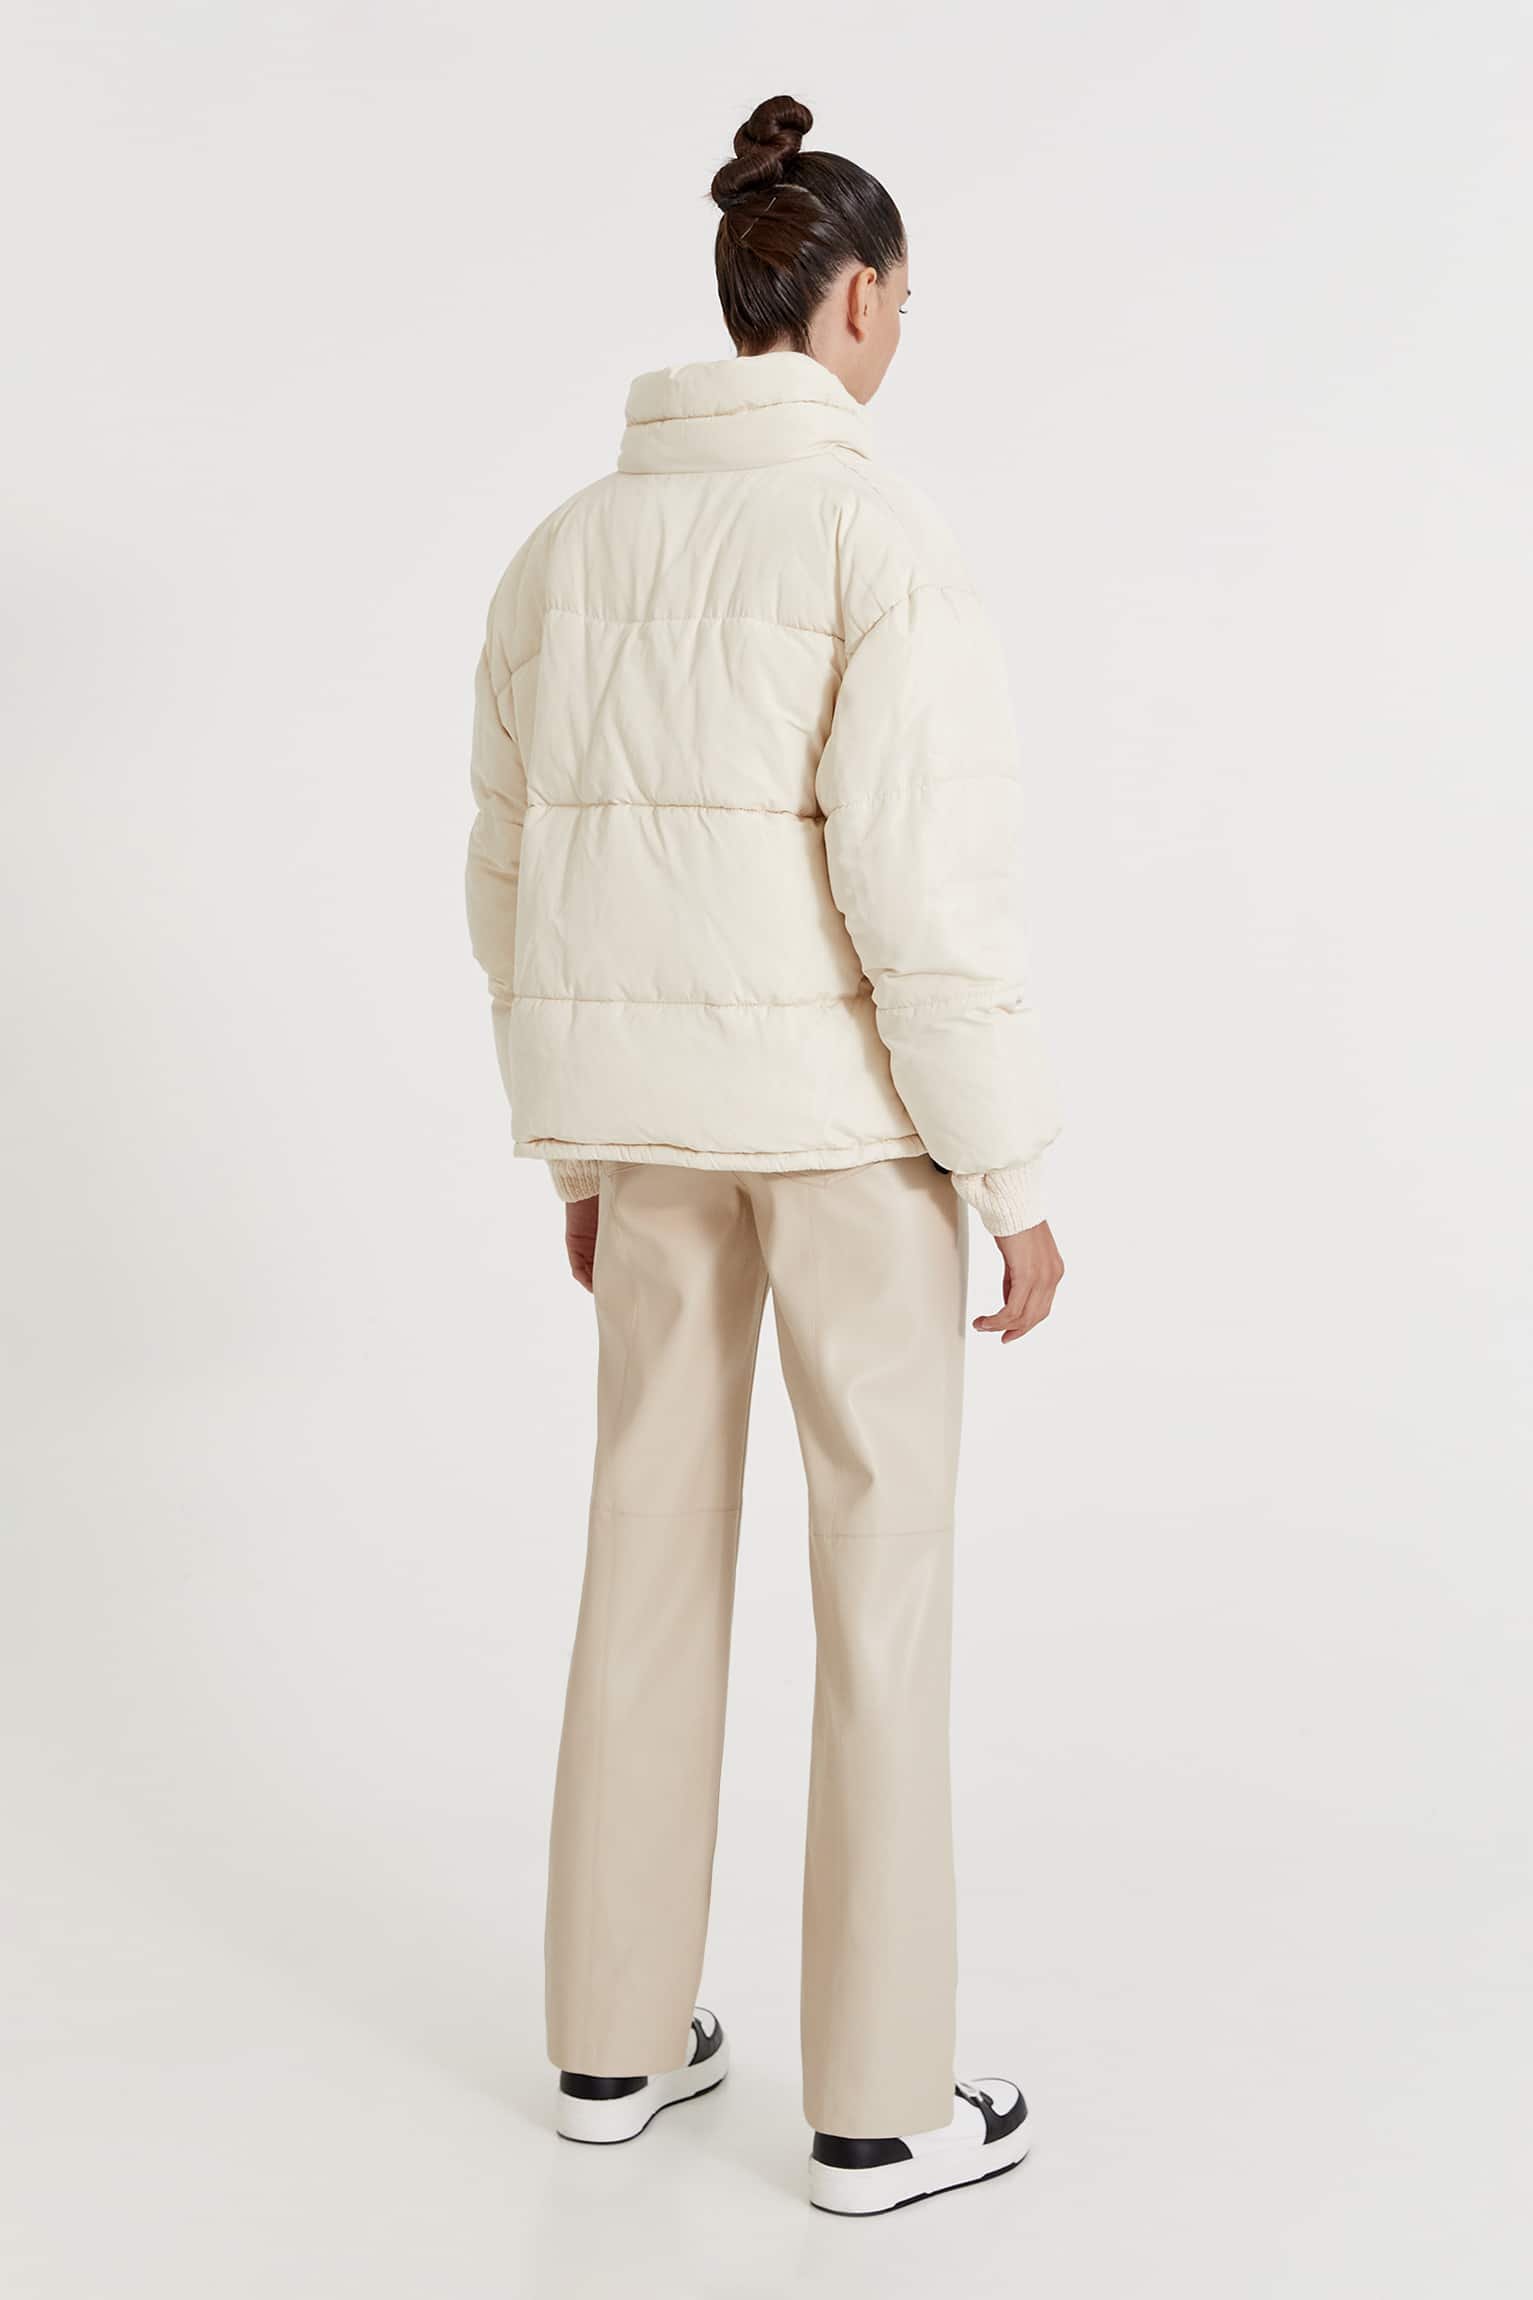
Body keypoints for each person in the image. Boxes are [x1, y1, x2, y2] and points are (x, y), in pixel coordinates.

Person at [466, 93, 1064, 2217]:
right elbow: (923, 898)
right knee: (876, 1580)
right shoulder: (872, 543)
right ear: (859, 299)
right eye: (906, 302)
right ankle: (877, 2106)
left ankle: (608, 2044)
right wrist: (1009, 1178)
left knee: (642, 1550)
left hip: (649, 1143)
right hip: (842, 1143)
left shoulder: (563, 552)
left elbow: (509, 879)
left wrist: (576, 1159)